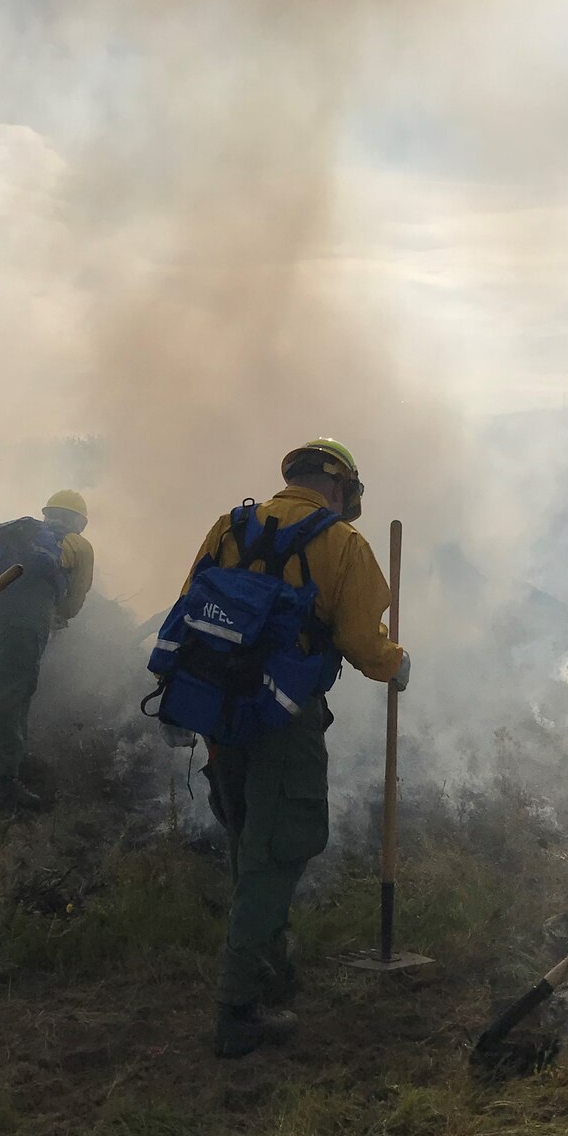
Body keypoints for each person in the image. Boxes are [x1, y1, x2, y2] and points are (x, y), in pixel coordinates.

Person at [182, 439, 407, 1058]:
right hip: (283, 714)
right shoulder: (343, 544)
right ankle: (238, 1008)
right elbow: (363, 641)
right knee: (278, 849)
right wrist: (396, 664)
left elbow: (191, 605)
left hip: (221, 710)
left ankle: (271, 965)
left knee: (247, 837)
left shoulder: (230, 526)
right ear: (342, 486)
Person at [0, 491, 94, 809]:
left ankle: (6, 762)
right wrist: (59, 617)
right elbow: (76, 596)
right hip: (26, 612)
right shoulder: (78, 545)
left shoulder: (22, 536)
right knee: (14, 688)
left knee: (7, 684)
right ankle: (1, 781)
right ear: (80, 521)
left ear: (47, 512)